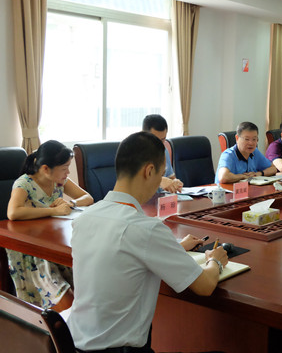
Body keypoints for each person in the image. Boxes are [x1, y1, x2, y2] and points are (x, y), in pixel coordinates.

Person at [68, 131, 229, 352]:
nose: (159, 185)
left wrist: (175, 247)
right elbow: (204, 286)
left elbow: (119, 254)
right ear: (149, 171)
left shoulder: (85, 218)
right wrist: (215, 260)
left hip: (75, 345)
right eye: (161, 175)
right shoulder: (146, 228)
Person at [6, 140, 93, 311]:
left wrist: (71, 203)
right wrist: (53, 211)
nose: (68, 172)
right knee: (67, 302)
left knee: (87, 290)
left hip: (53, 240)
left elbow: (88, 198)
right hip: (32, 249)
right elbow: (13, 212)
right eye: (64, 168)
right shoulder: (24, 183)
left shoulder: (59, 180)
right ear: (46, 169)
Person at [142, 114, 183, 193]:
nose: (160, 144)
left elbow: (171, 177)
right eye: (156, 140)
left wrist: (175, 182)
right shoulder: (135, 153)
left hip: (163, 197)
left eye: (163, 139)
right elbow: (136, 184)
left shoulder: (164, 151)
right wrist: (159, 181)